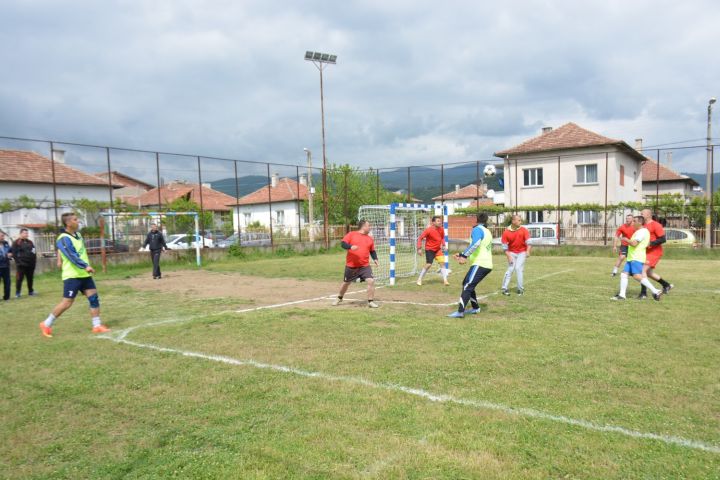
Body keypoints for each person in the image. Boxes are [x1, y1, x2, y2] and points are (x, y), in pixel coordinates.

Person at [39, 212, 110, 337]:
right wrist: (85, 266)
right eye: (75, 219)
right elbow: (71, 255)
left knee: (93, 298)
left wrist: (82, 267)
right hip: (72, 275)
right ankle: (46, 323)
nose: (78, 221)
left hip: (84, 275)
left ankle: (97, 325)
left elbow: (72, 251)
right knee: (67, 303)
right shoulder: (63, 238)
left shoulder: (78, 235)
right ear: (68, 223)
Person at [448, 212, 493, 318]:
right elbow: (479, 246)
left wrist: (464, 256)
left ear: (476, 219)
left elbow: (476, 244)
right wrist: (461, 254)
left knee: (468, 285)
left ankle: (460, 312)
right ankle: (475, 308)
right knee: (467, 284)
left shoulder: (477, 229)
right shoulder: (487, 231)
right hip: (484, 263)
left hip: (481, 263)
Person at [611, 215, 662, 301]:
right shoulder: (638, 231)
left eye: (634, 221)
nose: (632, 222)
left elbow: (634, 244)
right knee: (624, 274)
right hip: (632, 258)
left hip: (637, 257)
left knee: (637, 276)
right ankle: (622, 295)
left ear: (640, 222)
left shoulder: (642, 232)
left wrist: (626, 239)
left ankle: (655, 291)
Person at [332, 219, 380, 308]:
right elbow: (343, 244)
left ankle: (370, 301)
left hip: (364, 266)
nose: (370, 227)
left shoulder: (370, 238)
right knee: (346, 283)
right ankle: (339, 297)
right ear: (364, 226)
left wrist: (375, 259)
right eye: (369, 226)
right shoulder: (351, 234)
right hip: (351, 266)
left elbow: (372, 251)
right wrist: (350, 246)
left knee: (371, 281)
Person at [638, 209, 673, 299]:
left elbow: (663, 239)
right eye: (640, 213)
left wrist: (651, 243)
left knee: (642, 271)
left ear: (649, 215)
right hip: (645, 252)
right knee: (648, 273)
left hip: (654, 252)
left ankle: (643, 293)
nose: (640, 215)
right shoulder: (643, 226)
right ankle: (666, 285)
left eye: (642, 214)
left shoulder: (656, 225)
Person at [500, 214, 531, 295]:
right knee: (510, 269)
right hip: (511, 252)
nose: (520, 222)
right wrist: (509, 257)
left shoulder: (524, 230)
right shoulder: (506, 232)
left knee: (518, 269)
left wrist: (528, 251)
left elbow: (529, 242)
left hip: (522, 252)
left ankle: (520, 290)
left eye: (520, 220)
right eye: (519, 220)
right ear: (513, 221)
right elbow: (505, 248)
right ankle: (504, 289)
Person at [416, 215, 449, 286]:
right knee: (429, 264)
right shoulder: (428, 230)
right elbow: (420, 238)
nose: (440, 222)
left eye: (440, 221)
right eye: (438, 221)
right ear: (433, 222)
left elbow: (442, 238)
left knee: (442, 263)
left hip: (438, 250)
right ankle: (419, 279)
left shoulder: (441, 229)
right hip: (429, 249)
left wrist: (443, 245)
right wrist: (419, 248)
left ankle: (445, 280)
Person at [12, 228, 37, 298]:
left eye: (27, 233)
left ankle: (31, 291)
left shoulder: (30, 242)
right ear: (21, 234)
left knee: (30, 278)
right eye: (25, 233)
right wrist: (18, 263)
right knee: (19, 279)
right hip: (21, 265)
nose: (27, 234)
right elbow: (14, 254)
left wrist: (34, 262)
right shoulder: (16, 242)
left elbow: (34, 252)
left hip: (30, 265)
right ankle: (18, 293)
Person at [0, 232, 12, 302]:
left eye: (3, 236)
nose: (3, 237)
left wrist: (10, 254)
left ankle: (7, 297)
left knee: (7, 283)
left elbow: (10, 251)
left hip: (6, 266)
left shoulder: (6, 243)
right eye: (1, 236)